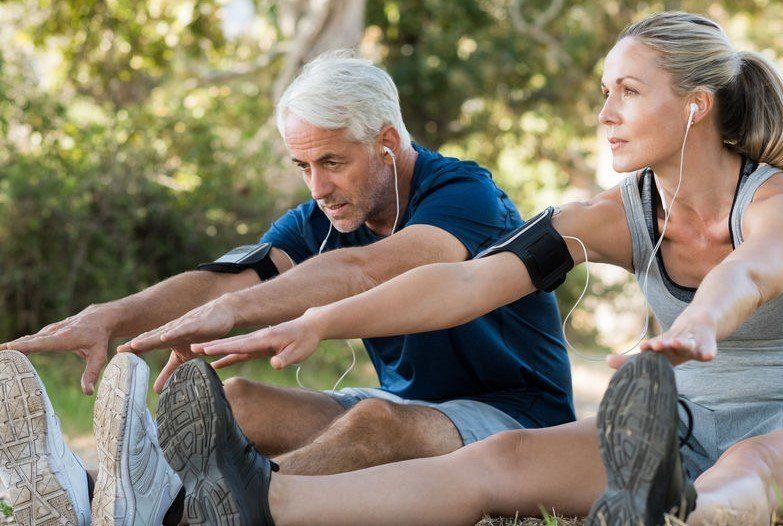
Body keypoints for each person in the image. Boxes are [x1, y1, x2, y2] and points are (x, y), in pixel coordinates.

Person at [156, 11, 783, 526]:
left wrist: (696, 325)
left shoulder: (782, 204)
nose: (605, 114)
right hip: (681, 423)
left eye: (628, 92)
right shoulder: (611, 216)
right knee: (498, 459)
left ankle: (675, 512)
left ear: (696, 105)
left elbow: (748, 274)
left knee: (751, 469)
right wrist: (314, 322)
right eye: (604, 92)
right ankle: (268, 501)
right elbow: (465, 283)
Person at [0, 53, 573, 525]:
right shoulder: (323, 217)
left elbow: (369, 271)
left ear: (387, 142)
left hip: (517, 418)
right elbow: (229, 277)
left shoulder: (465, 194)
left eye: (332, 161)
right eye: (303, 165)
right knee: (239, 401)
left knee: (373, 423)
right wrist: (113, 316)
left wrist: (233, 310)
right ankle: (83, 492)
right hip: (415, 408)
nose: (318, 186)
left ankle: (197, 514)